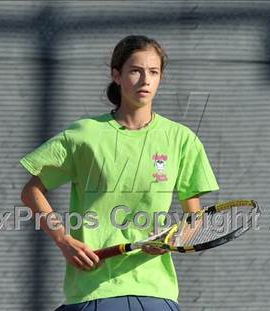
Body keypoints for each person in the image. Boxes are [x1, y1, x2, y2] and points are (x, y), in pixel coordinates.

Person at [20, 35, 219, 311]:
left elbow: (194, 219)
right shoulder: (84, 135)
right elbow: (31, 191)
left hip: (155, 292)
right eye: (135, 71)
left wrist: (173, 240)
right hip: (92, 291)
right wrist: (63, 240)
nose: (145, 80)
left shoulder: (182, 139)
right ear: (117, 75)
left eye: (153, 72)